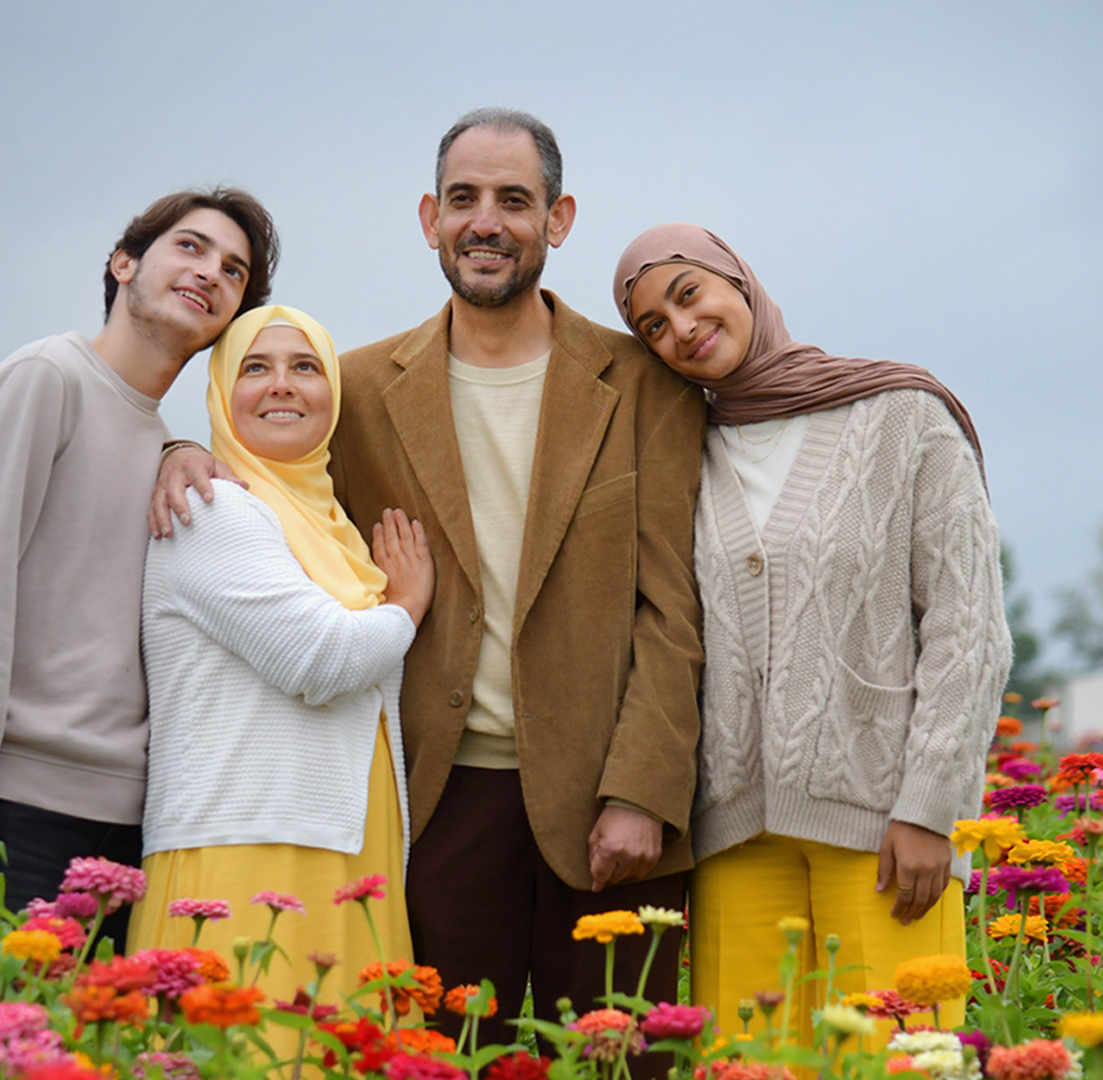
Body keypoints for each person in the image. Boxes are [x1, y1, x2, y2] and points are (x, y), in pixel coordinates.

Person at [155, 109, 705, 1047]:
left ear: (559, 219)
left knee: (625, 1062)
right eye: (463, 200)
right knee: (440, 1061)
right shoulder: (358, 390)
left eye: (513, 201)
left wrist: (644, 791)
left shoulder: (642, 379)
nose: (485, 221)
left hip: (609, 808)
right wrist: (170, 448)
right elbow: (265, 459)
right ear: (430, 218)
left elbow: (673, 605)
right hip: (436, 807)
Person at [614, 223, 1009, 1041]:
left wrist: (933, 809)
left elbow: (969, 628)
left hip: (885, 834)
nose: (680, 329)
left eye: (688, 295)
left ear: (740, 281)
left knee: (902, 1058)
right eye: (652, 325)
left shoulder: (903, 417)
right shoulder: (684, 448)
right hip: (734, 840)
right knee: (747, 1064)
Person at [0, 187, 279, 972]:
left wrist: (181, 448)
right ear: (124, 263)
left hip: (128, 823)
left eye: (235, 271)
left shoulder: (166, 445)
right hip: (7, 811)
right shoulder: (45, 379)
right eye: (191, 247)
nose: (210, 272)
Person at [127, 305, 434, 1008]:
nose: (282, 386)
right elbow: (320, 659)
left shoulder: (334, 528)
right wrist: (407, 605)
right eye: (254, 368)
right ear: (220, 391)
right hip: (247, 848)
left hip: (338, 846)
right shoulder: (211, 508)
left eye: (306, 368)